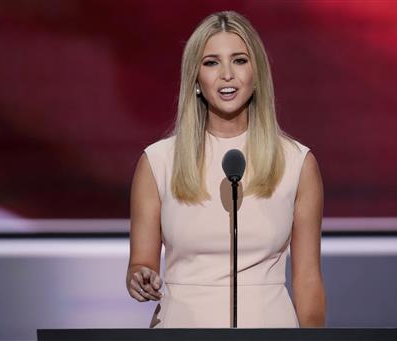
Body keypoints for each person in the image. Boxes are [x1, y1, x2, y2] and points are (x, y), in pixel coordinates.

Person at [126, 10, 325, 328]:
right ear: (195, 77)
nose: (227, 74)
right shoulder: (158, 162)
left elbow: (308, 278)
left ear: (257, 74)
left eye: (240, 60)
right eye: (211, 62)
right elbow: (141, 263)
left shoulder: (297, 163)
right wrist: (140, 277)